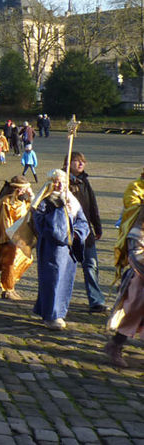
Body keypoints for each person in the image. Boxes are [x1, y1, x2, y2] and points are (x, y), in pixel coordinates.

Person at [32, 169, 90, 330]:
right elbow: (47, 228)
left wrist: (77, 234)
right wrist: (60, 210)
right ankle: (52, 315)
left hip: (69, 248)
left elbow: (83, 222)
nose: (59, 185)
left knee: (65, 280)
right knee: (52, 279)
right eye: (56, 182)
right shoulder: (44, 202)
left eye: (63, 182)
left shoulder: (72, 201)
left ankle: (56, 311)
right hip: (52, 249)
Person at [105, 202, 144, 367]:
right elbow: (135, 255)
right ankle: (115, 345)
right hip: (139, 277)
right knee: (134, 311)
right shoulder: (137, 232)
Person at [66, 152, 106, 313]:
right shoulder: (62, 181)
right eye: (77, 161)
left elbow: (92, 206)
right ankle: (61, 300)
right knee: (67, 268)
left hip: (86, 232)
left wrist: (97, 227)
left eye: (83, 161)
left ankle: (96, 300)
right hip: (68, 232)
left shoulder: (85, 182)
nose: (81, 164)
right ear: (69, 163)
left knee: (91, 266)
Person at [0, 177, 34, 300]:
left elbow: (32, 211)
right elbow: (4, 222)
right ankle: (8, 289)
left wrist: (32, 197)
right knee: (10, 263)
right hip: (9, 239)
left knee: (26, 260)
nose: (25, 191)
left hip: (21, 238)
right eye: (23, 189)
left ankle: (11, 285)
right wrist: (10, 239)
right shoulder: (6, 202)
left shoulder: (23, 201)